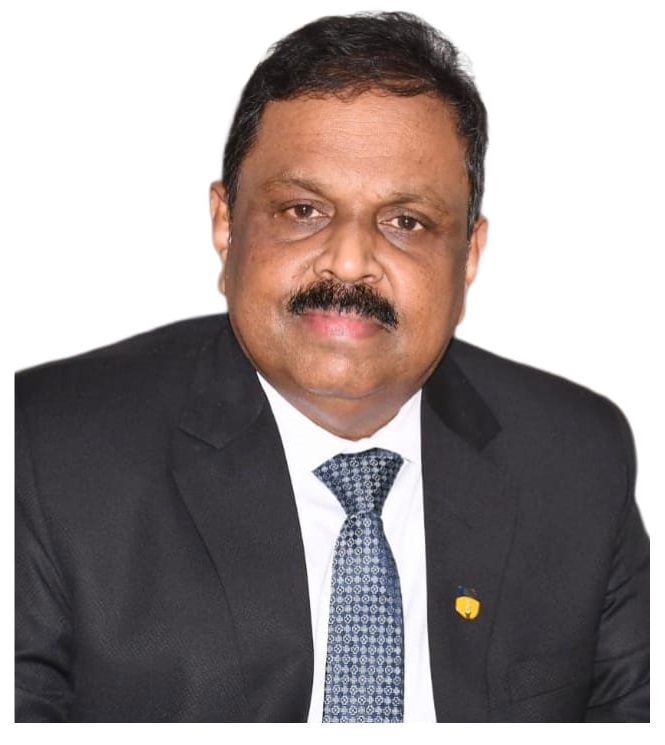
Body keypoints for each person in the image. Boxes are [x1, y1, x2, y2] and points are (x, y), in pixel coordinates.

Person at [15, 11, 649, 723]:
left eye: (405, 221)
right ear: (225, 222)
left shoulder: (577, 460)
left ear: (468, 255)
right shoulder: (45, 452)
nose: (348, 262)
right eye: (303, 210)